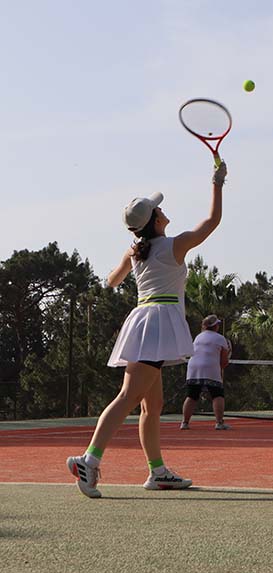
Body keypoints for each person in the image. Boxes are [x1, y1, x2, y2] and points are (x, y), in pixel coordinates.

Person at [66, 161, 227, 498]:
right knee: (128, 396)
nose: (164, 210)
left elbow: (112, 280)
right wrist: (217, 181)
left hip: (143, 319)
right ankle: (89, 459)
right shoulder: (173, 245)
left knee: (150, 408)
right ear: (155, 220)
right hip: (156, 321)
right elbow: (212, 222)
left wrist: (122, 268)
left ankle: (157, 472)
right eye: (159, 209)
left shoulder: (137, 251)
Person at [181, 314, 231, 430]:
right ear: (215, 326)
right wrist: (221, 367)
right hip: (210, 368)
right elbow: (224, 361)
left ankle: (185, 423)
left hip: (193, 367)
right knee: (217, 394)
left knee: (192, 395)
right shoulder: (220, 338)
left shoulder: (198, 337)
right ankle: (219, 423)